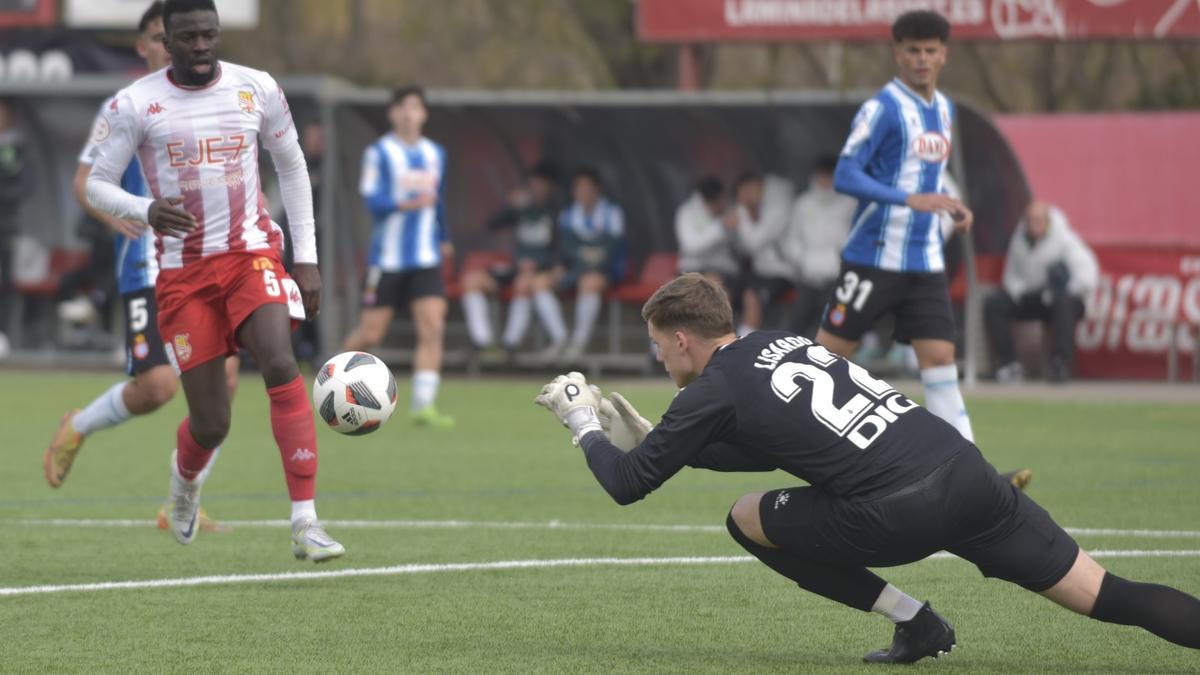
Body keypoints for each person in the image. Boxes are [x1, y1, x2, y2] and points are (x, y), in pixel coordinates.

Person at [535, 273, 1200, 663]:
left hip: (898, 506)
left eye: (658, 346)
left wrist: (583, 424)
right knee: (1105, 593)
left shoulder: (711, 388)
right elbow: (777, 443)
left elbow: (626, 485)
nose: (658, 359)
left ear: (683, 338)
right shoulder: (780, 340)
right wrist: (664, 440)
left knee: (745, 519)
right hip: (965, 471)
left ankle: (914, 619)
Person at [84, 0, 343, 561]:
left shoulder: (257, 88)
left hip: (251, 253)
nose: (201, 45)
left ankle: (306, 522)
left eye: (209, 34)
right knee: (211, 422)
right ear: (167, 42)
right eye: (189, 37)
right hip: (183, 273)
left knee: (278, 359)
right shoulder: (136, 103)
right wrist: (147, 208)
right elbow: (97, 184)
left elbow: (292, 164)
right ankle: (184, 486)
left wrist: (307, 259)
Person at [46, 2, 241, 537]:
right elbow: (85, 183)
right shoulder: (127, 105)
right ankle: (78, 425)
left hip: (208, 261)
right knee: (157, 387)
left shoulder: (216, 96)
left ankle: (182, 503)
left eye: (171, 36)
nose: (167, 45)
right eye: (158, 37)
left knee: (225, 379)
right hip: (148, 268)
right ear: (146, 47)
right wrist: (118, 217)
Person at [821, 11, 1033, 488]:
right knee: (826, 358)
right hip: (872, 257)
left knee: (939, 359)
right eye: (912, 50)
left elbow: (928, 178)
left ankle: (974, 479)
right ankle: (804, 451)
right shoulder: (882, 108)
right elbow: (845, 174)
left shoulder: (945, 109)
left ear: (944, 54)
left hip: (924, 261)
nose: (922, 59)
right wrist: (906, 198)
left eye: (930, 50)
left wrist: (951, 206)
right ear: (897, 53)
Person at [343, 85, 454, 429]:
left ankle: (423, 406)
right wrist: (405, 204)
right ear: (392, 113)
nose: (409, 112)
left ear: (424, 114)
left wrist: (445, 236)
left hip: (425, 257)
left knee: (433, 325)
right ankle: (331, 382)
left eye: (415, 106)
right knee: (371, 334)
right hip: (386, 258)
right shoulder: (380, 153)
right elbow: (372, 202)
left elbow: (438, 199)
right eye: (403, 106)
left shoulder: (436, 153)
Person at [460, 162, 567, 357]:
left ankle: (510, 344)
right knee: (472, 280)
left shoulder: (557, 212)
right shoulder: (522, 207)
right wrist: (509, 205)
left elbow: (563, 248)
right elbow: (491, 224)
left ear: (550, 187)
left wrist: (542, 264)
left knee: (523, 283)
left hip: (541, 270)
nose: (537, 189)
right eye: (533, 184)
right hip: (516, 266)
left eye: (541, 184)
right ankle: (481, 340)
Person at [985, 201, 1098, 383]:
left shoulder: (1064, 239)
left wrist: (1060, 290)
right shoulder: (1019, 239)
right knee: (995, 303)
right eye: (1029, 220)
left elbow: (1088, 276)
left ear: (1047, 221)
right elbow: (1010, 276)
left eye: (1038, 220)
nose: (1033, 224)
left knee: (1063, 303)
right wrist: (1021, 292)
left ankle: (1059, 364)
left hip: (1064, 299)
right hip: (1032, 297)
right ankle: (1008, 364)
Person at [782, 155, 856, 337]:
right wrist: (802, 259)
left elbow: (854, 236)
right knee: (797, 323)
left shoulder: (850, 202)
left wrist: (837, 258)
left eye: (829, 176)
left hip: (837, 276)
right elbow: (790, 239)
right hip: (807, 275)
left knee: (829, 325)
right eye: (822, 176)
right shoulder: (803, 203)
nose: (825, 181)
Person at [556, 167, 625, 363]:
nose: (583, 193)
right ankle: (559, 338)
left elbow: (611, 250)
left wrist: (591, 258)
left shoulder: (612, 213)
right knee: (539, 283)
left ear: (597, 189)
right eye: (579, 188)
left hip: (605, 270)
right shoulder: (568, 216)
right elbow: (565, 250)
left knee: (589, 282)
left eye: (587, 188)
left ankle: (578, 343)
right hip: (575, 269)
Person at [730, 171, 795, 335]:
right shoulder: (744, 210)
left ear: (760, 187)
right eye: (743, 192)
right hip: (757, 270)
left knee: (752, 296)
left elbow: (756, 242)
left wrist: (744, 214)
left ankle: (743, 347)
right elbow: (741, 249)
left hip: (781, 272)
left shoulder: (779, 207)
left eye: (750, 190)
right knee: (721, 290)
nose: (747, 196)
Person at [0, 97, 35, 359]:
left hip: (6, 227)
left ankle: (3, 335)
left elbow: (25, 186)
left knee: (4, 281)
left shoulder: (17, 148)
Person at [674, 175, 737, 290]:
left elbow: (741, 247)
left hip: (725, 269)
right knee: (712, 285)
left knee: (746, 293)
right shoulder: (687, 213)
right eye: (720, 200)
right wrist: (721, 227)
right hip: (692, 269)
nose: (723, 203)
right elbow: (691, 246)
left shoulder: (730, 211)